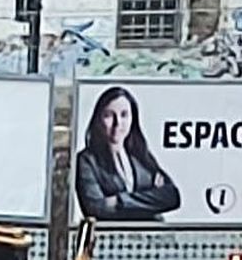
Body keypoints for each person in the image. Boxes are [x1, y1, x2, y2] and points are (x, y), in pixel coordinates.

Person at [74, 86, 181, 222]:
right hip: (113, 239)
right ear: (98, 120)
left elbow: (171, 196)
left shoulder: (140, 154)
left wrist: (118, 201)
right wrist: (150, 200)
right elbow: (95, 207)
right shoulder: (87, 160)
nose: (118, 123)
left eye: (124, 115)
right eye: (109, 115)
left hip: (151, 236)